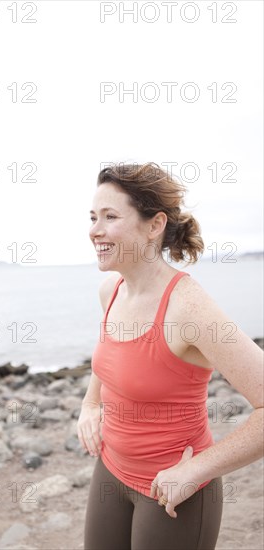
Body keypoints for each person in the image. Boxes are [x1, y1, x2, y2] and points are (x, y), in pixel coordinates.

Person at [78, 162, 264, 550]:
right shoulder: (110, 291)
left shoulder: (189, 308)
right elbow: (112, 358)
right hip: (111, 470)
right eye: (93, 217)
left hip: (175, 491)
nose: (95, 229)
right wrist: (90, 404)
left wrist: (197, 469)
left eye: (110, 217)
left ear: (153, 224)